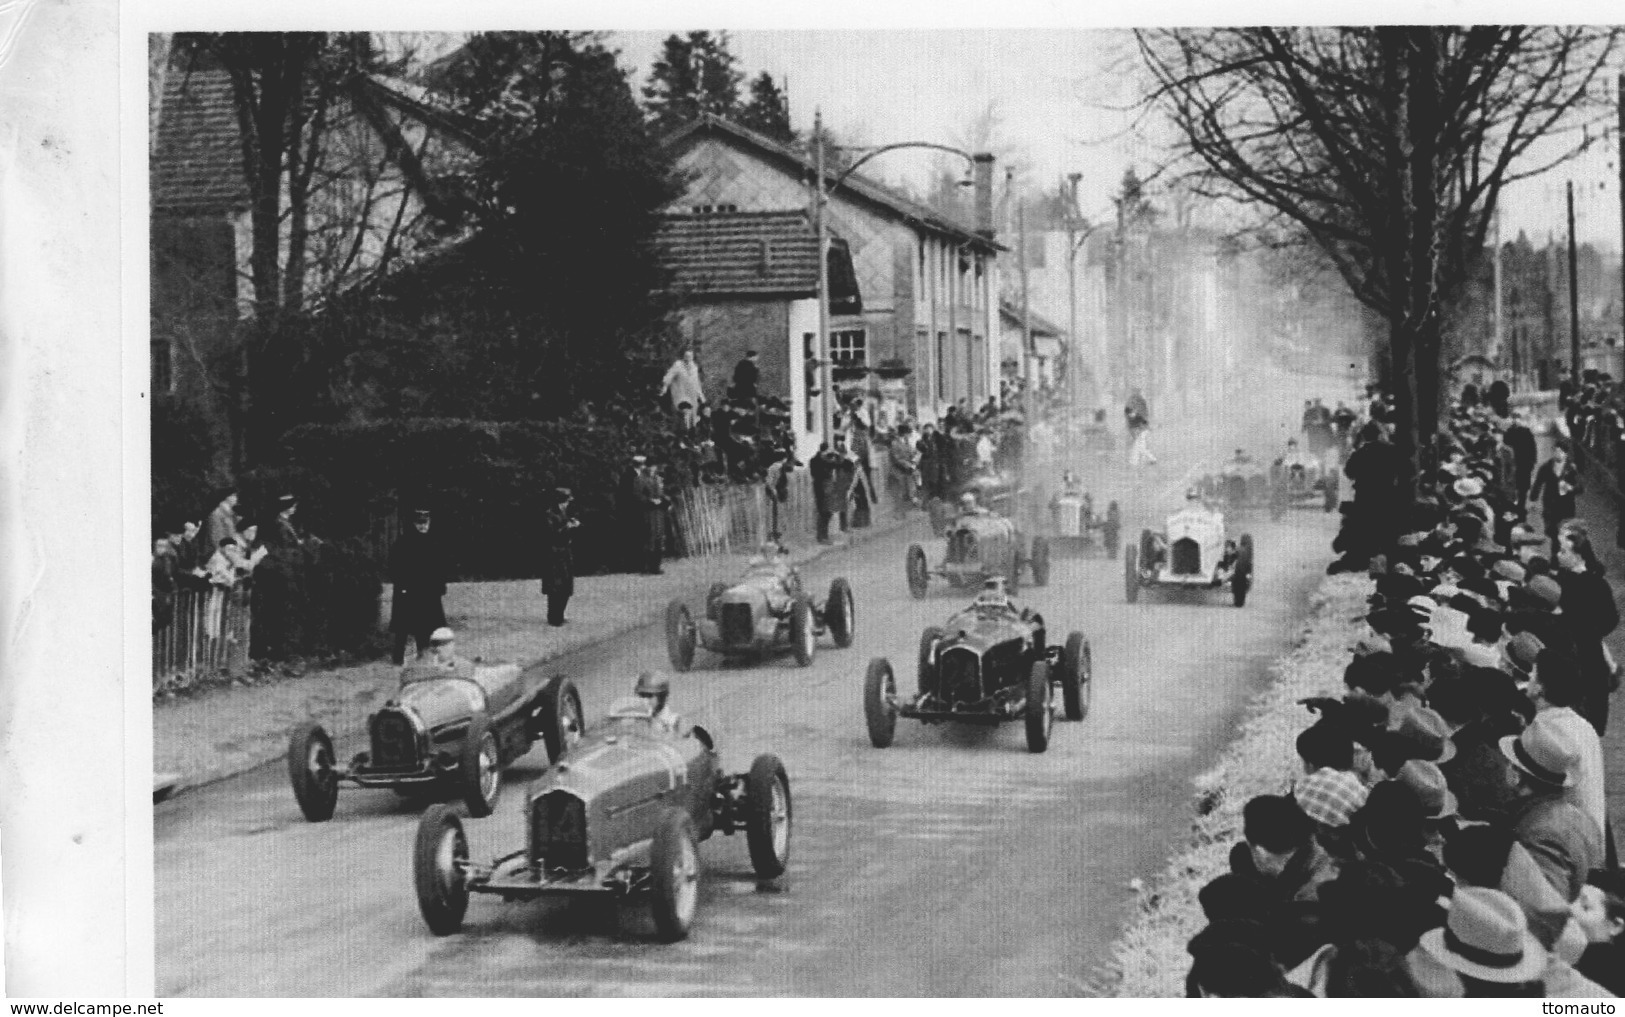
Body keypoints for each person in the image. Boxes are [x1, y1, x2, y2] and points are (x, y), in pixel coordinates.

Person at [387, 506, 450, 665]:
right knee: (403, 627)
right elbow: (394, 567)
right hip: (408, 591)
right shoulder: (403, 543)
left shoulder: (433, 542)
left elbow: (440, 566)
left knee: (426, 625)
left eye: (425, 523)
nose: (423, 526)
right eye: (419, 523)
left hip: (428, 592)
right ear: (413, 524)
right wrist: (402, 586)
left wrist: (440, 585)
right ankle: (397, 658)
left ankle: (424, 656)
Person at [1530, 440, 1583, 550]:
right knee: (1553, 534)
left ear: (1566, 454)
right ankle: (1555, 557)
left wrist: (1571, 488)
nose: (1558, 454)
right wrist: (1533, 500)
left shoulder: (1571, 468)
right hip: (1550, 506)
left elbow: (1580, 487)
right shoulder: (1546, 467)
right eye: (1556, 451)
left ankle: (1563, 557)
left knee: (1565, 534)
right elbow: (1538, 483)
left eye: (1561, 452)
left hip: (1566, 507)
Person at [541, 487, 579, 627]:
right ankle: (554, 617)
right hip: (554, 553)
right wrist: (568, 527)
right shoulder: (549, 514)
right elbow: (552, 534)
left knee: (566, 585)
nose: (567, 504)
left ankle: (560, 614)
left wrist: (573, 526)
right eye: (565, 501)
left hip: (565, 551)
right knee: (555, 586)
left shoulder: (564, 513)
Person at [629, 455, 668, 575]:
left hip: (658, 512)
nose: (652, 469)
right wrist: (649, 500)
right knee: (648, 538)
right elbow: (637, 495)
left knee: (659, 538)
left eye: (654, 466)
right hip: (647, 512)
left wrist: (663, 501)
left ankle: (656, 566)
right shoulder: (640, 479)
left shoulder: (658, 479)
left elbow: (662, 493)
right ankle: (645, 566)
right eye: (650, 466)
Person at [400, 626, 474, 683]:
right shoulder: (422, 664)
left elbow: (469, 689)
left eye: (445, 643)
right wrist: (438, 670)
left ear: (453, 644)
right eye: (436, 644)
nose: (439, 648)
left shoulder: (464, 664)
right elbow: (407, 679)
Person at [661, 348, 705, 432]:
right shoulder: (678, 365)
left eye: (690, 356)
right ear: (683, 356)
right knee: (685, 412)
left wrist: (701, 395)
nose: (688, 358)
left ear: (692, 357)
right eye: (686, 356)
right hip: (680, 393)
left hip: (692, 394)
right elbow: (670, 375)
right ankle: (684, 431)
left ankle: (692, 432)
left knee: (694, 414)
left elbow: (696, 383)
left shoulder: (694, 367)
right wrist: (665, 386)